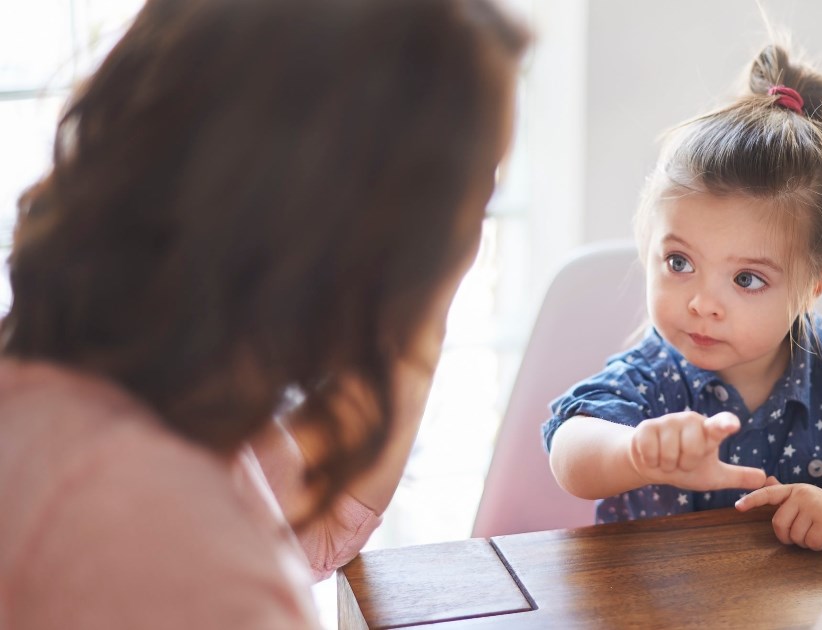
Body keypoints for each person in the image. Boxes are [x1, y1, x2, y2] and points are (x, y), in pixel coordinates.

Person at [0, 0, 528, 627]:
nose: (466, 242)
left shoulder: (95, 384)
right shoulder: (160, 546)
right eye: (465, 205)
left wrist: (420, 317)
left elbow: (312, 520)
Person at [542, 44, 822, 549]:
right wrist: (636, 453)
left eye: (747, 279)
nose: (701, 303)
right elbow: (569, 448)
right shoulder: (652, 375)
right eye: (679, 263)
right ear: (648, 249)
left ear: (814, 288)